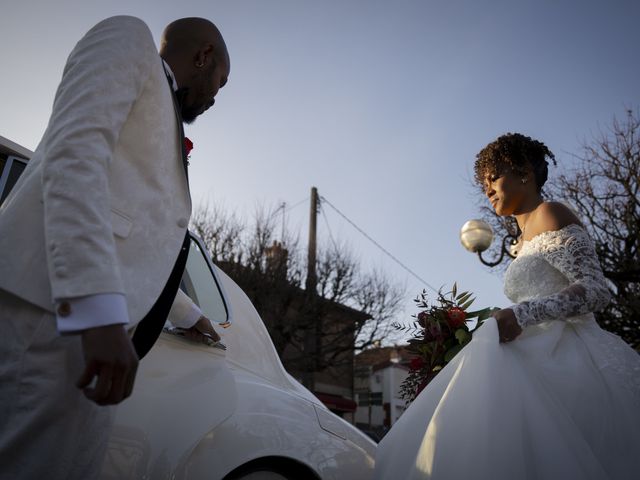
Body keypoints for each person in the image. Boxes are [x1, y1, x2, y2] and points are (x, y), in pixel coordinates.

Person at [0, 16, 229, 479]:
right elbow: (74, 155)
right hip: (52, 312)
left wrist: (187, 314)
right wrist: (97, 310)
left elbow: (130, 236)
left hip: (91, 331)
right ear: (203, 55)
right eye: (218, 84)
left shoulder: (162, 114)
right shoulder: (130, 39)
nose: (214, 98)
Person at [374, 133, 640, 479]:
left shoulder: (550, 212)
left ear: (525, 172)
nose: (487, 188)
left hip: (571, 361)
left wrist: (522, 313)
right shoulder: (517, 244)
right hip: (534, 351)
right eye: (483, 181)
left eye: (494, 176)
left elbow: (595, 290)